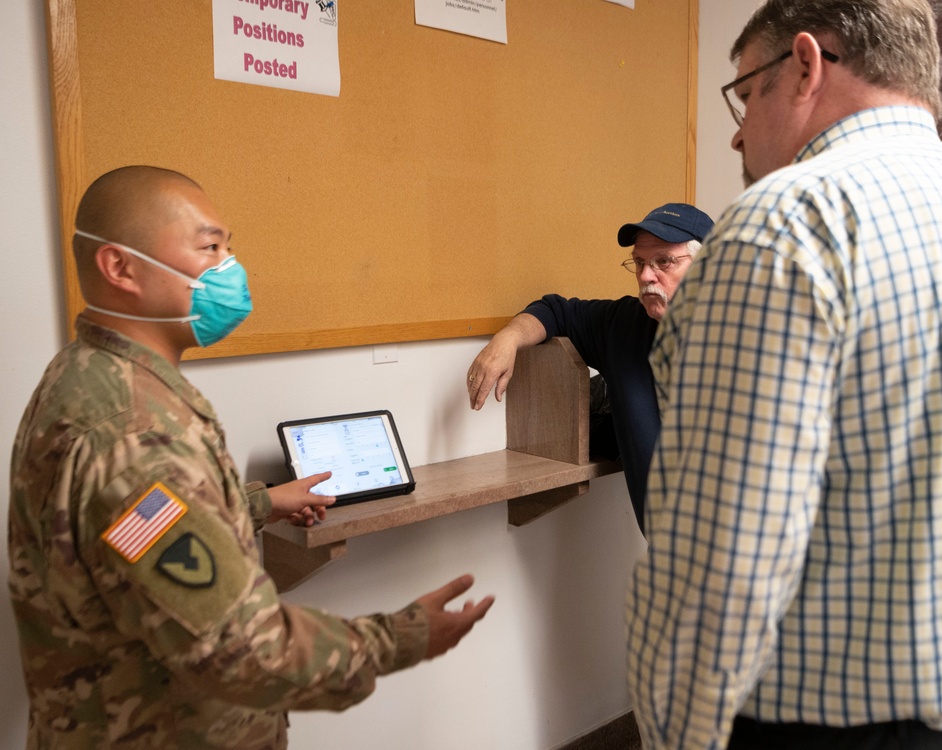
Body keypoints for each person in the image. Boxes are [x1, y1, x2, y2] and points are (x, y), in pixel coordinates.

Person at [7, 165, 494, 749]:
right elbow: (240, 647)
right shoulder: (130, 431)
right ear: (120, 267)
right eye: (210, 246)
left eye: (229, 247)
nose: (229, 268)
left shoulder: (93, 377)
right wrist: (403, 637)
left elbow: (133, 528)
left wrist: (258, 502)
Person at [627, 1, 942, 748]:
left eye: (746, 92)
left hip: (816, 724)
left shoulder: (781, 225)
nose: (736, 129)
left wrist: (676, 737)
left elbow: (720, 562)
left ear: (805, 65)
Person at [466, 203, 714, 532]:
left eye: (664, 262)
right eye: (639, 262)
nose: (645, 276)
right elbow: (555, 311)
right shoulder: (625, 326)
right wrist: (507, 340)